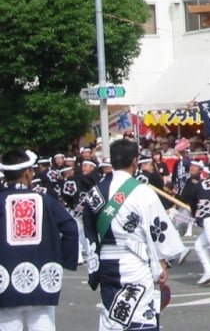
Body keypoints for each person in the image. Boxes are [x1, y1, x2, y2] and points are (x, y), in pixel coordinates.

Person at [83, 139, 185, 331]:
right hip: (135, 261)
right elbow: (158, 229)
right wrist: (162, 262)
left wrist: (94, 266)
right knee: (140, 315)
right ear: (134, 161)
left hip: (107, 264)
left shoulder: (95, 193)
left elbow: (89, 233)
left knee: (113, 315)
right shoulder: (142, 192)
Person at [0, 149, 79, 331]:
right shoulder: (45, 201)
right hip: (42, 282)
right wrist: (61, 259)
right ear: (28, 173)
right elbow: (70, 229)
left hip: (5, 283)